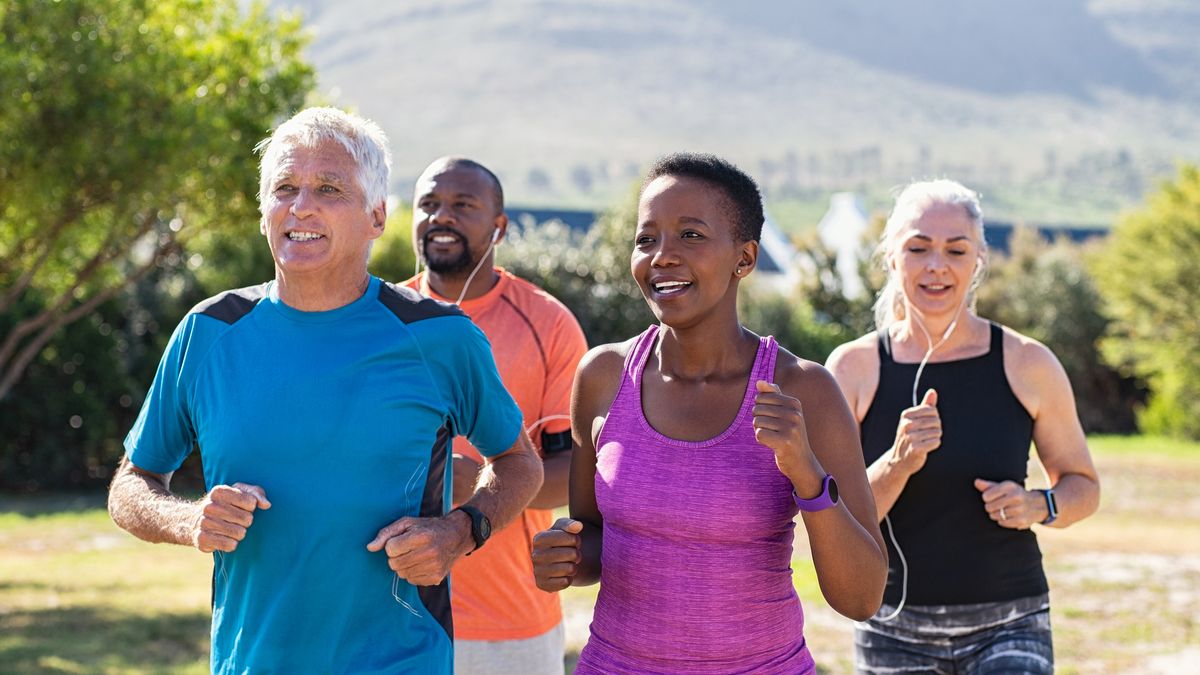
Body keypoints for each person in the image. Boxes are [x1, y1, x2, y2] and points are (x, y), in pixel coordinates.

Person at [106, 107, 543, 674]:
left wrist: (460, 530)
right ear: (264, 213)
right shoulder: (208, 332)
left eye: (328, 188)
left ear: (377, 216)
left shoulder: (440, 338)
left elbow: (518, 463)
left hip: (402, 661)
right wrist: (189, 522)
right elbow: (129, 486)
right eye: (284, 188)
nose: (301, 206)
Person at [531, 152, 888, 673]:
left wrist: (807, 474)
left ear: (744, 259)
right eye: (646, 238)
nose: (662, 256)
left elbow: (861, 598)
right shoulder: (603, 377)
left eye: (690, 236)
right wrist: (564, 558)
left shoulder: (803, 390)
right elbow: (593, 541)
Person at [825, 179, 1101, 674]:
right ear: (891, 256)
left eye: (956, 250)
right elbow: (835, 517)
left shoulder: (1028, 363)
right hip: (891, 629)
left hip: (1012, 623)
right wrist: (897, 463)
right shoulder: (852, 369)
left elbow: (1084, 486)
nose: (937, 266)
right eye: (918, 248)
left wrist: (1040, 504)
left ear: (977, 261)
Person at [404, 156, 587, 675]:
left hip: (510, 623)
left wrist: (477, 484)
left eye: (463, 205)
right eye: (430, 205)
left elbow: (573, 474)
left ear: (499, 226)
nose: (443, 216)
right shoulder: (378, 320)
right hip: (391, 614)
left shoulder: (548, 323)